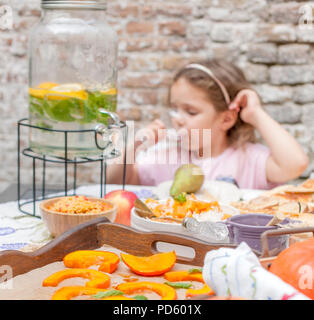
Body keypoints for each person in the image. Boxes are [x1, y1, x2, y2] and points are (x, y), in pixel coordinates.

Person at [107, 59, 309, 190]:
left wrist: (256, 114)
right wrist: (134, 145)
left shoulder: (249, 160)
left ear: (226, 119)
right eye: (174, 109)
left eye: (191, 112)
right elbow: (115, 181)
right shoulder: (164, 156)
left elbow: (295, 164)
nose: (178, 118)